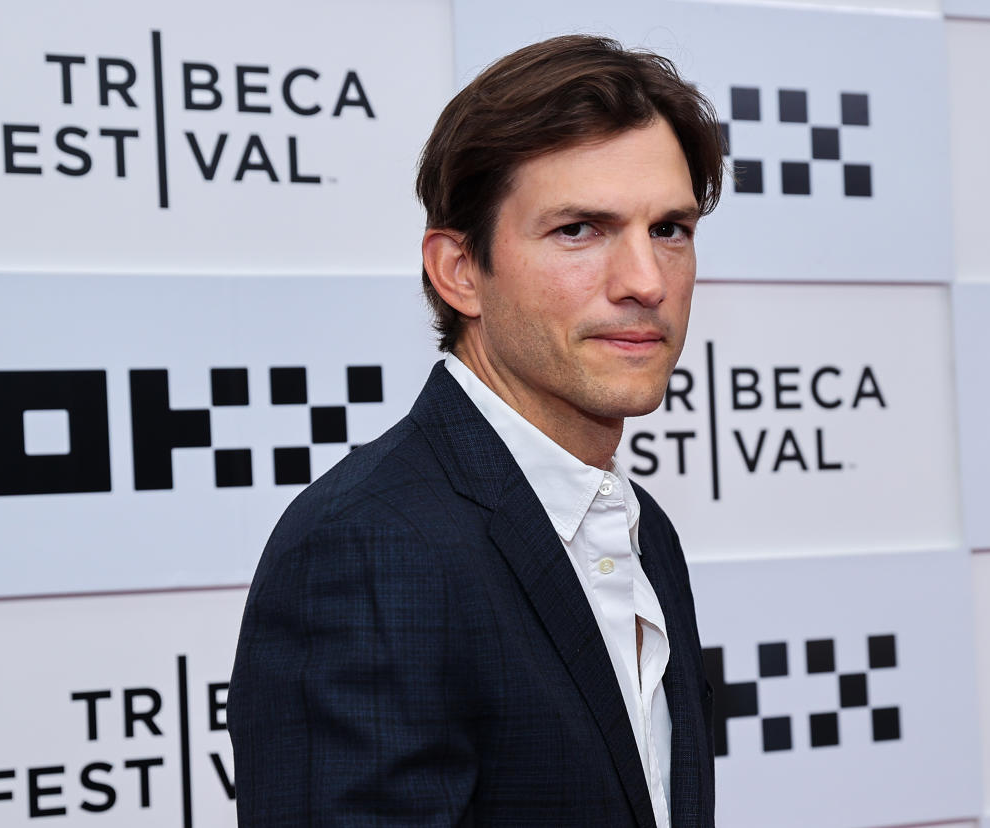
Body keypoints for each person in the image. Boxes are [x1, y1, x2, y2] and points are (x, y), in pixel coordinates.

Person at [227, 33, 724, 827]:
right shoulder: (368, 548)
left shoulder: (642, 531)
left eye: (670, 229)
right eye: (579, 230)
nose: (644, 282)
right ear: (460, 270)